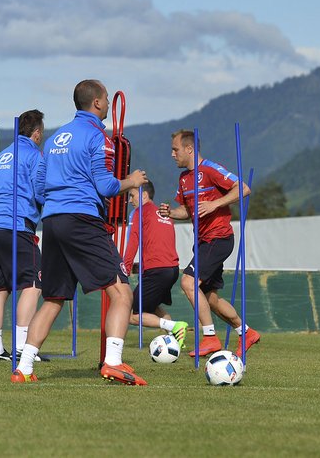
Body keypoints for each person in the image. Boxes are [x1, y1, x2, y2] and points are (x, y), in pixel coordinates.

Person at [13, 79, 148, 385]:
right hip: (83, 219)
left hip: (54, 221)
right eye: (107, 100)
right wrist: (132, 181)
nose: (110, 106)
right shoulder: (99, 137)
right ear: (98, 103)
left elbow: (40, 185)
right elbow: (106, 185)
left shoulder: (55, 137)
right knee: (122, 292)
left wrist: (57, 205)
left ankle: (24, 368)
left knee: (54, 298)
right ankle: (113, 362)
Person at [158, 129, 260, 358]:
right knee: (210, 297)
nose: (172, 154)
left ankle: (211, 338)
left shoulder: (211, 169)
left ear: (189, 149)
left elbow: (243, 188)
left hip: (219, 237)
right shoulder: (184, 178)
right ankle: (246, 332)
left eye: (175, 149)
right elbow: (187, 210)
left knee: (188, 282)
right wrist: (171, 213)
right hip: (203, 242)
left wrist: (216, 204)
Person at [0, 109, 48, 362]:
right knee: (33, 284)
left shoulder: (1, 155)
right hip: (16, 224)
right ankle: (22, 346)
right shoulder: (34, 155)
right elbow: (40, 191)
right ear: (37, 133)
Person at [122, 181, 188, 348]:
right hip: (172, 269)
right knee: (154, 307)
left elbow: (133, 242)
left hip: (156, 270)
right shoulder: (164, 213)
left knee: (132, 314)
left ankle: (175, 326)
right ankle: (176, 343)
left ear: (144, 195)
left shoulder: (140, 212)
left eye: (132, 196)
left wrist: (125, 268)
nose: (130, 200)